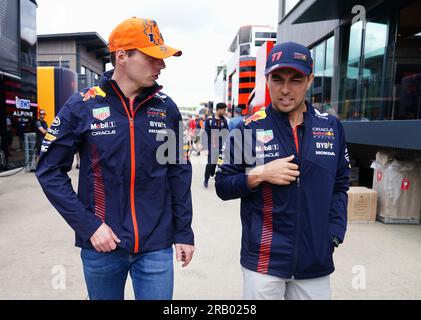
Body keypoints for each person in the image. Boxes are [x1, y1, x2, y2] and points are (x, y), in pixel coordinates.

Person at [36, 17, 194, 300]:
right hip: (102, 244)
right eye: (153, 57)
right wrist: (89, 225)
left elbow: (178, 171)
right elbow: (49, 170)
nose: (162, 65)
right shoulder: (81, 105)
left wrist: (183, 231)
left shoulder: (167, 108)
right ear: (122, 56)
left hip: (156, 244)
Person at [215, 42, 350, 300]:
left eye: (296, 79)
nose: (285, 89)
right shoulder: (247, 129)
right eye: (277, 79)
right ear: (267, 80)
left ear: (309, 80)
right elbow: (222, 185)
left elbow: (341, 185)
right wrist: (260, 174)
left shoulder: (331, 128)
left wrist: (333, 233)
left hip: (315, 261)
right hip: (263, 262)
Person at [204, 102, 229, 188]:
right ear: (219, 109)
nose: (225, 111)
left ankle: (219, 181)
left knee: (221, 163)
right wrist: (206, 147)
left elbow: (226, 133)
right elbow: (206, 134)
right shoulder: (210, 120)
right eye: (224, 110)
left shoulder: (224, 120)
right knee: (210, 163)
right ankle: (206, 179)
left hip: (222, 145)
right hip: (212, 145)